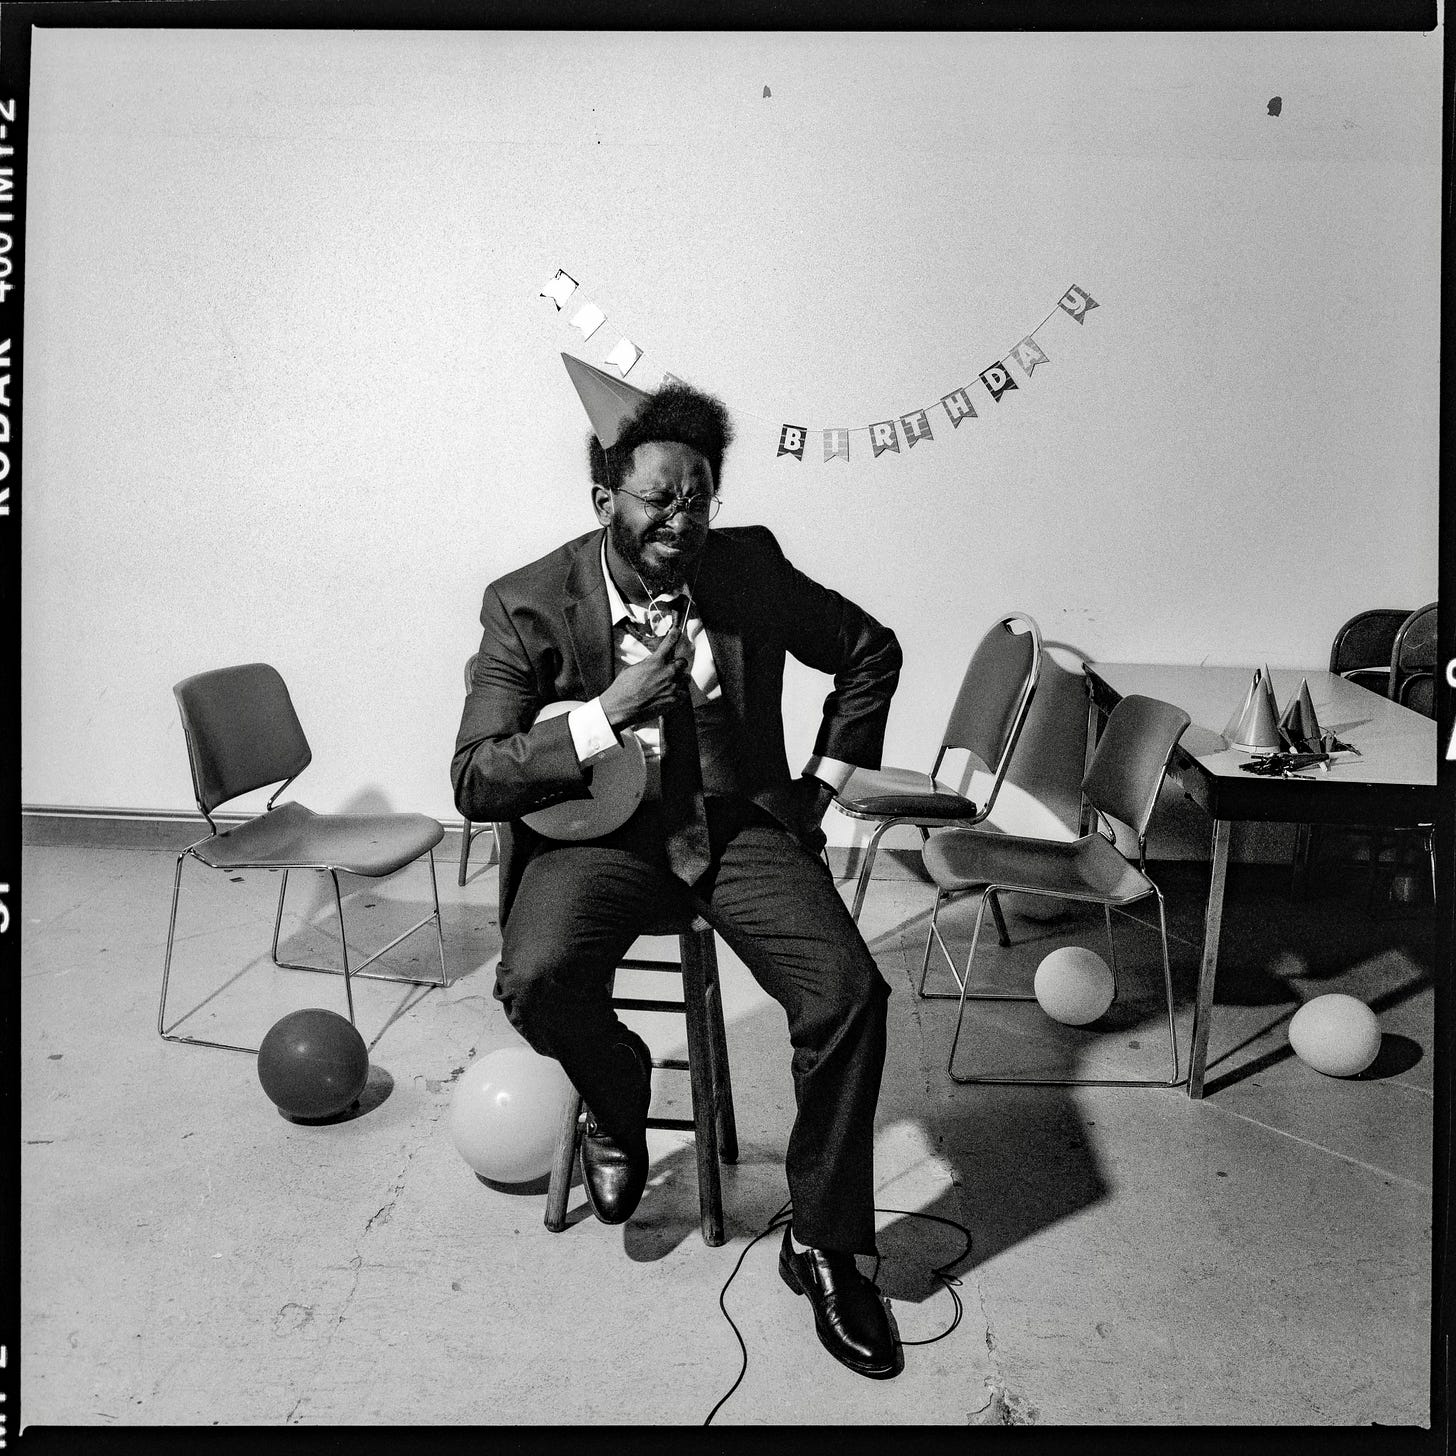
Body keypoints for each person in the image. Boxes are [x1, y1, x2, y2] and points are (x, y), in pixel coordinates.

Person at [452, 355, 904, 1379]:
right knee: (535, 979)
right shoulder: (527, 601)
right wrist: (603, 713)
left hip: (733, 825)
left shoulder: (746, 568)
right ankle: (616, 1090)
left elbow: (870, 650)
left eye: (699, 499)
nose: (682, 520)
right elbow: (475, 775)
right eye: (659, 499)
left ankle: (825, 1245)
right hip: (597, 839)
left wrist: (820, 787)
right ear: (604, 500)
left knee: (848, 993)